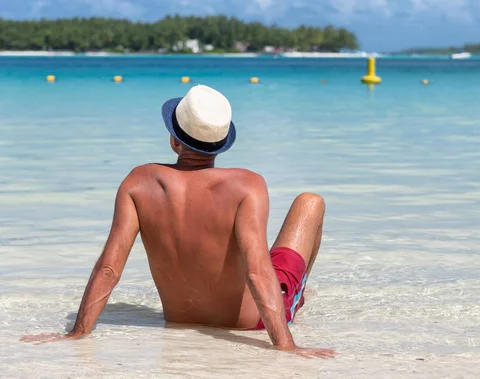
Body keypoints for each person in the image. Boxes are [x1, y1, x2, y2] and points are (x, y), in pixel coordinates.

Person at [21, 85, 336, 359]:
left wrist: (77, 333)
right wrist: (285, 345)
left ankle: (296, 296)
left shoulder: (138, 182)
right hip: (248, 323)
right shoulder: (247, 185)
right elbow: (256, 272)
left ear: (174, 141)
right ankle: (296, 297)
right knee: (310, 203)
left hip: (180, 319)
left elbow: (109, 269)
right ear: (224, 142)